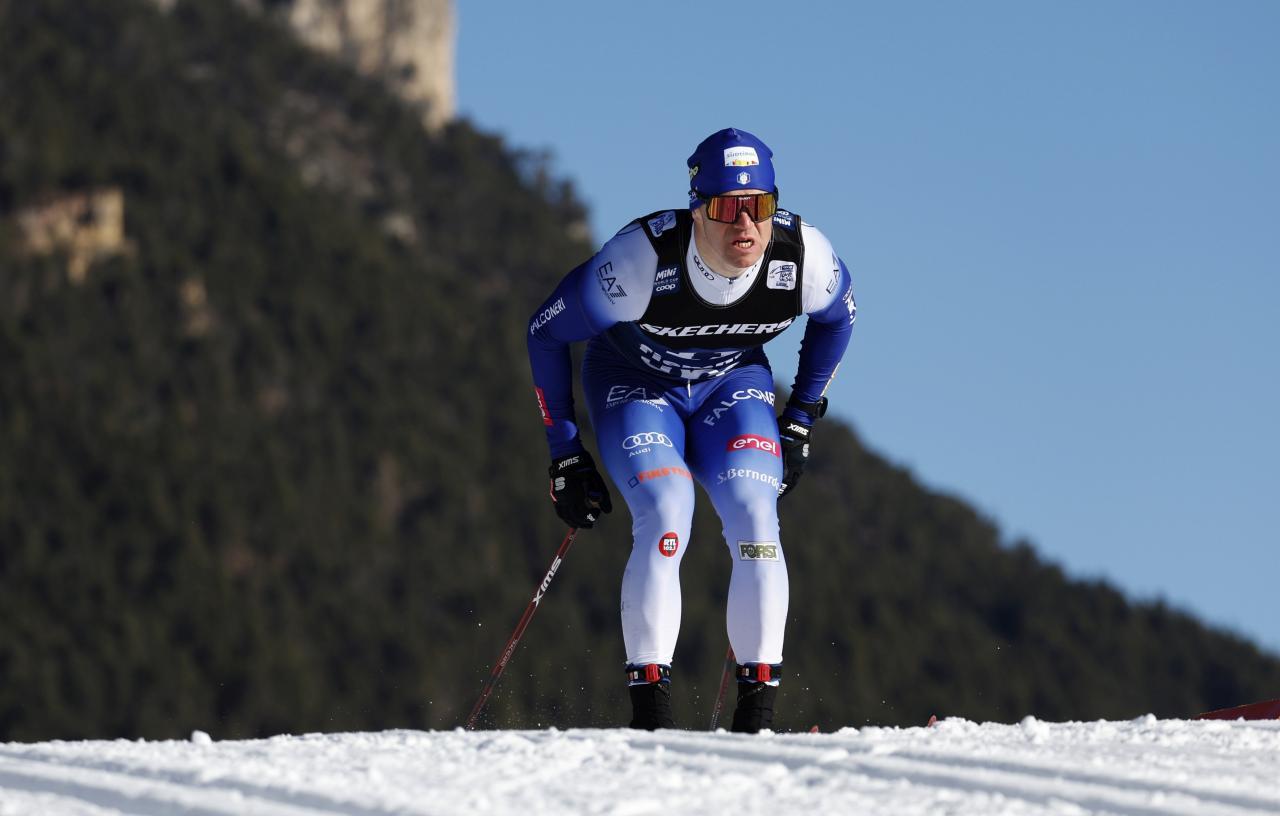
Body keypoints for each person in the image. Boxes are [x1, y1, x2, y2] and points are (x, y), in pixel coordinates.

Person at [526, 127, 856, 733]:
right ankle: (651, 718)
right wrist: (565, 453)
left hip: (730, 386)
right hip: (636, 383)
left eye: (759, 205)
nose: (745, 224)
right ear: (698, 209)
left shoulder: (803, 257)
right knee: (667, 513)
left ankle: (756, 721)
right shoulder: (639, 263)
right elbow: (545, 332)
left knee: (756, 515)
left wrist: (802, 417)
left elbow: (839, 319)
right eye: (728, 208)